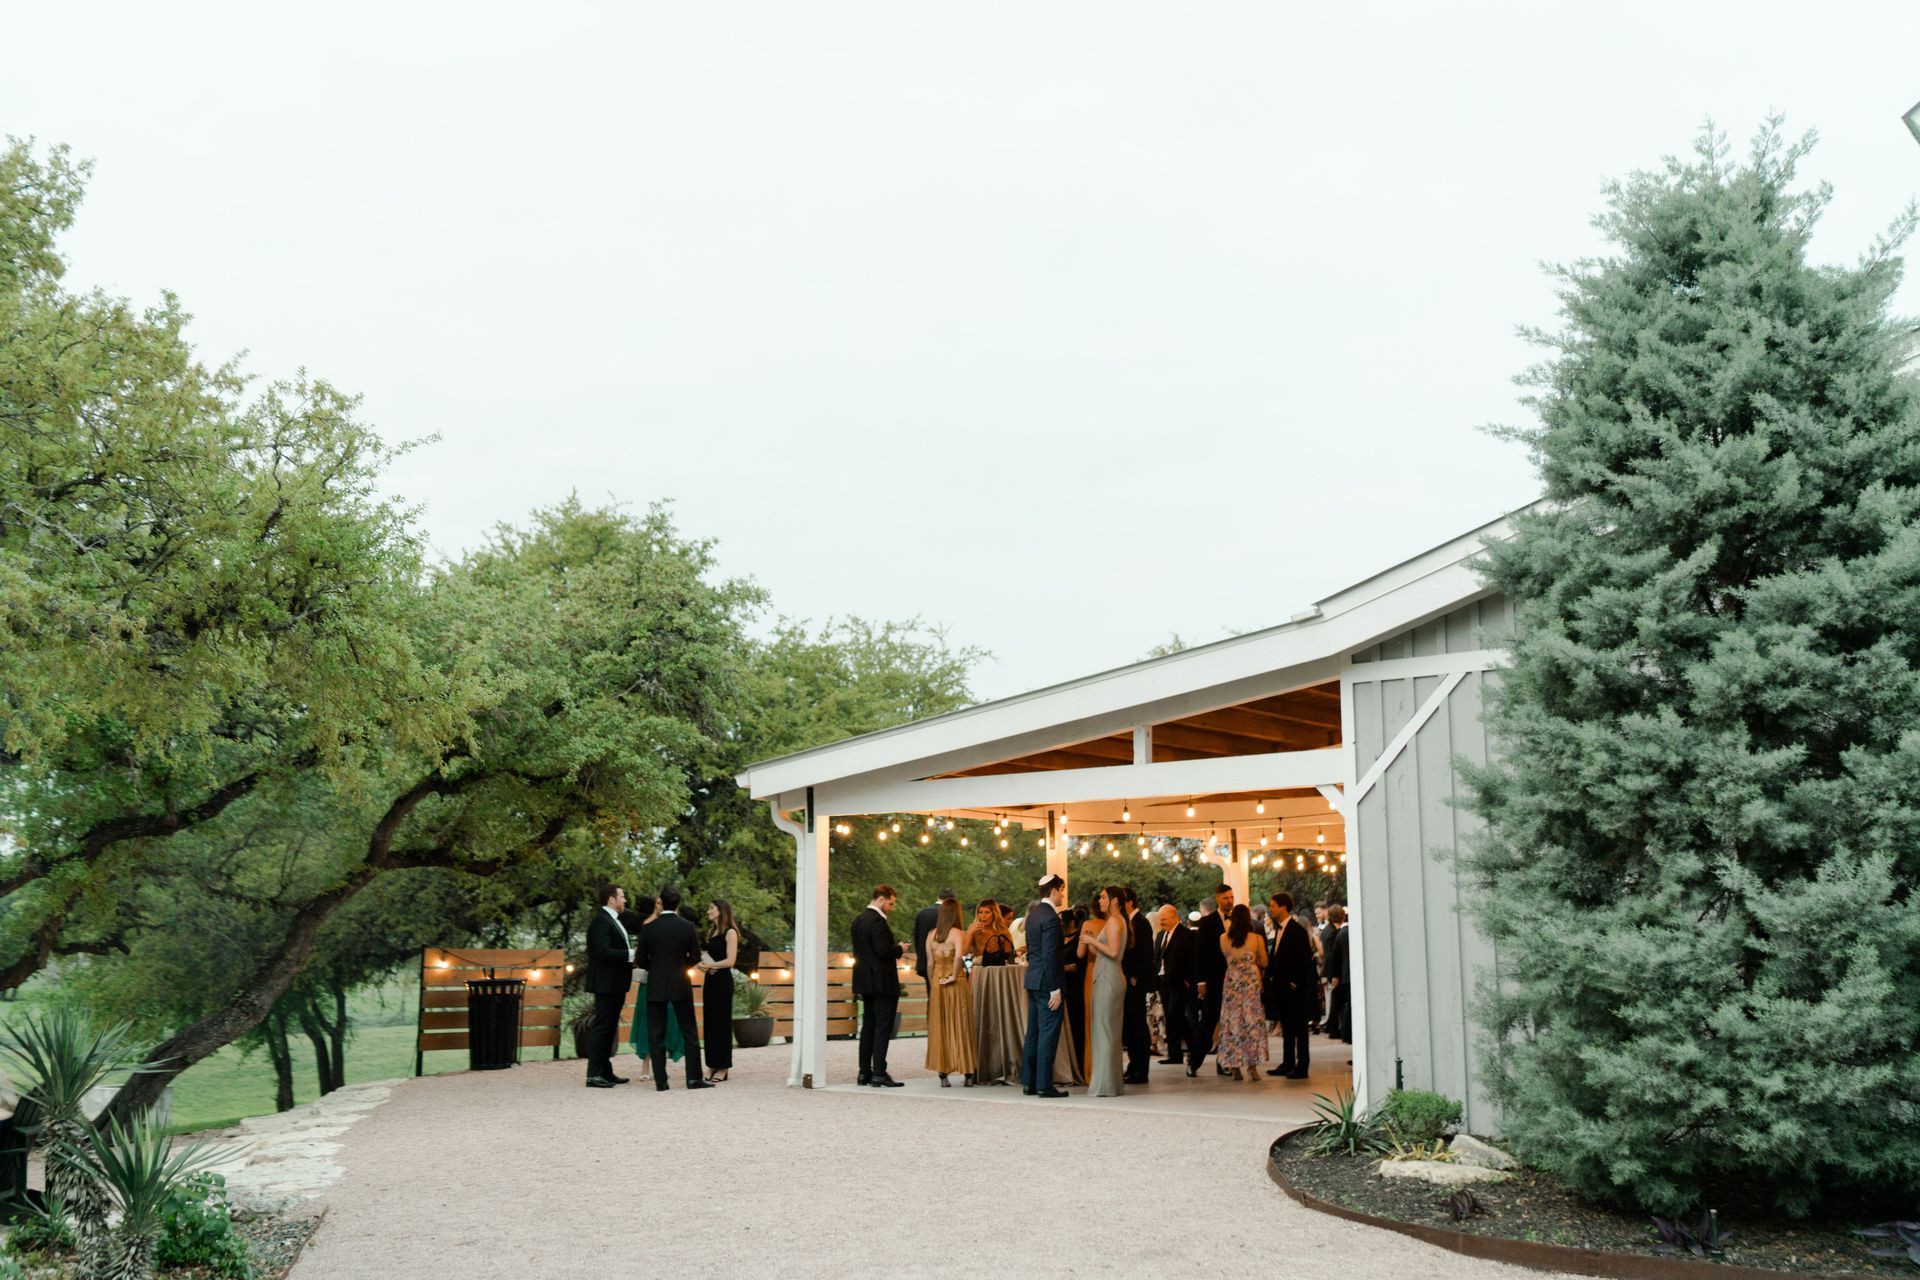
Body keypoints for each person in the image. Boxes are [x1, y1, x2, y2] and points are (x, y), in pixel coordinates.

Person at [636, 885, 709, 1090]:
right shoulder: (687, 927)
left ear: (661, 901)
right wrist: (679, 967)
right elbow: (695, 957)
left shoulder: (649, 928)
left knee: (656, 1033)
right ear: (678, 903)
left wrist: (657, 968)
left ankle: (661, 1081)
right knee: (689, 1032)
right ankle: (694, 1079)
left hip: (656, 985)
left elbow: (640, 959)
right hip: (680, 983)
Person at [851, 884, 907, 1087]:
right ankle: (879, 1073)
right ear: (881, 899)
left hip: (865, 981)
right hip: (882, 982)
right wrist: (900, 948)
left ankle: (864, 1072)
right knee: (883, 1027)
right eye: (891, 903)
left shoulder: (858, 920)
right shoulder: (877, 921)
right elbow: (883, 950)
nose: (891, 908)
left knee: (868, 1026)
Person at [1077, 884, 1128, 1097]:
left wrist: (1091, 940)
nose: (1100, 901)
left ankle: (1106, 1085)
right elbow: (1097, 952)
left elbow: (1114, 952)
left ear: (1115, 900)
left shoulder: (1116, 921)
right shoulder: (1113, 921)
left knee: (1106, 1032)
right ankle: (1109, 1082)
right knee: (1104, 1031)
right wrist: (1089, 941)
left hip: (1109, 978)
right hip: (1105, 975)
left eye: (1104, 897)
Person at [1019, 874, 1068, 1098]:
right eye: (1061, 890)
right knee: (1047, 1034)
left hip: (1033, 978)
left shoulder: (1033, 915)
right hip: (1047, 982)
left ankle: (1029, 1082)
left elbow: (1032, 951)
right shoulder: (1050, 917)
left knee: (1034, 1033)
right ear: (1054, 891)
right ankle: (1044, 1085)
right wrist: (1055, 988)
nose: (1063, 895)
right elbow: (1050, 955)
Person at [627, 894, 684, 1081]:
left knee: (670, 1018)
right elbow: (640, 955)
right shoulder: (648, 925)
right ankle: (646, 1063)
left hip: (671, 981)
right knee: (647, 1021)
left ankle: (665, 1059)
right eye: (657, 902)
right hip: (651, 980)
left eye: (662, 902)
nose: (659, 905)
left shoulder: (679, 924)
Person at [583, 883, 635, 1088]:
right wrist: (631, 954)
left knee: (609, 1027)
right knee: (602, 1028)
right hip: (606, 984)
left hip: (615, 984)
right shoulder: (601, 922)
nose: (625, 900)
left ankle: (605, 1070)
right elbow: (603, 952)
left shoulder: (611, 921)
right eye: (622, 897)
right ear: (611, 899)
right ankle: (594, 1074)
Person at [923, 898, 977, 1087]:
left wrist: (933, 984)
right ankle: (968, 1072)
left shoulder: (931, 935)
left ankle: (943, 1073)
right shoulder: (958, 933)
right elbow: (958, 958)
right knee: (961, 1024)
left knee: (941, 1025)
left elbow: (929, 963)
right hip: (956, 982)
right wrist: (954, 976)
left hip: (938, 981)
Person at [1263, 893, 1316, 1079]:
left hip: (1294, 989)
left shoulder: (1297, 930)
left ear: (1283, 907)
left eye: (1273, 905)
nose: (1270, 909)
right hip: (1281, 988)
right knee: (1286, 1026)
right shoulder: (1279, 929)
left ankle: (1302, 1066)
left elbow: (1304, 960)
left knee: (1299, 1028)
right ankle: (1287, 1063)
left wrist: (1294, 983)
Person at [1186, 884, 1234, 1077]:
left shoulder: (1238, 921)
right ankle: (1194, 1062)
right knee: (1208, 1022)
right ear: (1217, 899)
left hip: (1236, 980)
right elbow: (1200, 954)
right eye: (1225, 898)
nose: (1229, 901)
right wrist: (1201, 981)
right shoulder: (1208, 922)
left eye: (1231, 897)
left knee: (1230, 1024)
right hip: (1214, 980)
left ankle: (1224, 1062)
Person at [1216, 903, 1268, 1081]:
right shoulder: (1256, 939)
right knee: (1251, 1024)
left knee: (1232, 1024)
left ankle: (1234, 1066)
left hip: (1232, 984)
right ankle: (1252, 1067)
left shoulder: (1223, 938)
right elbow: (1265, 962)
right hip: (1250, 985)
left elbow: (1224, 958)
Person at [698, 899, 739, 1083]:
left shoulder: (730, 933)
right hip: (711, 981)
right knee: (710, 1024)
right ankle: (711, 1064)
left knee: (721, 1024)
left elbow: (731, 961)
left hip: (722, 982)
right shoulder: (712, 932)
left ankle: (723, 1066)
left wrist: (712, 965)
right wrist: (703, 965)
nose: (708, 911)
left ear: (721, 911)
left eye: (711, 908)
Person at [1121, 887, 1152, 1084]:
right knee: (1131, 1025)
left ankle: (1142, 1069)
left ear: (1130, 902)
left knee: (1138, 1025)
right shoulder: (1129, 922)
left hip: (1136, 981)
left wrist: (1135, 976)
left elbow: (1147, 954)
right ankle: (1134, 1065)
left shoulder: (1141, 922)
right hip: (1128, 980)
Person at [1154, 904, 1191, 1065]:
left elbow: (1191, 958)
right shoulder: (1161, 935)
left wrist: (1188, 979)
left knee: (1176, 1014)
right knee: (1170, 1017)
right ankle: (1174, 1054)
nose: (1161, 922)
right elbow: (1158, 957)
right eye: (1160, 919)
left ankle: (1194, 1043)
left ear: (1174, 917)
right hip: (1163, 981)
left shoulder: (1186, 934)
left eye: (1164, 919)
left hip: (1179, 981)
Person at [1060, 903, 1086, 1068]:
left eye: (1061, 922)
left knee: (1076, 1024)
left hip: (1075, 987)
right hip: (1060, 985)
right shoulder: (1057, 940)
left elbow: (1079, 965)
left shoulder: (1079, 940)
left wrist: (1059, 968)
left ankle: (1078, 1063)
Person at [912, 890, 952, 997]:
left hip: (924, 963)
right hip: (944, 964)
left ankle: (932, 1014)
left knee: (932, 997)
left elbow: (916, 938)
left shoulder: (922, 913)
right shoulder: (948, 913)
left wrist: (921, 957)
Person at [1325, 905, 1352, 1043]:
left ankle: (1335, 1028)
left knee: (1339, 1003)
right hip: (1340, 973)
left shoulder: (1336, 932)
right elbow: (1332, 956)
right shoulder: (1336, 933)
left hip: (1339, 973)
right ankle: (1336, 1029)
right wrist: (1334, 975)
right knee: (1341, 1003)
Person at [967, 899, 1014, 966]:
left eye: (987, 912)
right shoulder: (973, 928)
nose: (983, 916)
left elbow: (1009, 956)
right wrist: (970, 933)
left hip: (998, 970)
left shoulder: (1003, 930)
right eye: (980, 912)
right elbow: (963, 953)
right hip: (979, 970)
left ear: (994, 914)